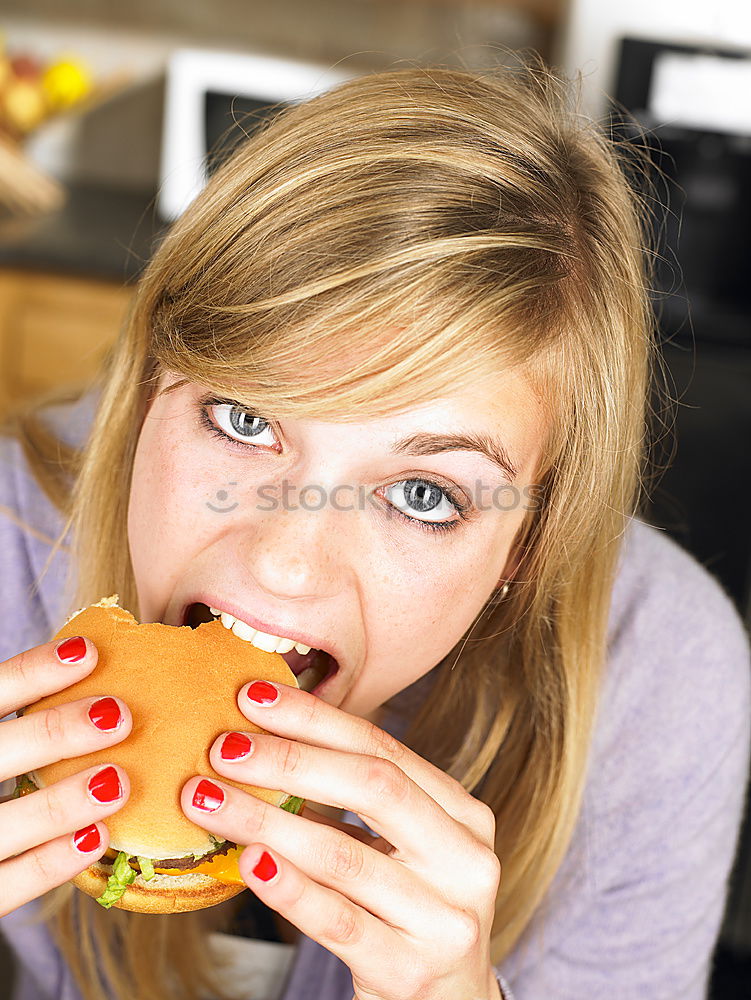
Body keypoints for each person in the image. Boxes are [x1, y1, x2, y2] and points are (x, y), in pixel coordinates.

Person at [0, 58, 749, 1000]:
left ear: (529, 540)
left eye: (426, 493)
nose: (283, 560)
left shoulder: (659, 673)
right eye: (244, 418)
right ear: (149, 390)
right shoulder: (8, 541)